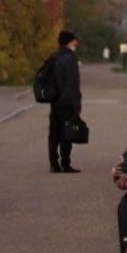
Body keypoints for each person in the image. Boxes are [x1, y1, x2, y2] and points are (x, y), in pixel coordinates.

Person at [49, 30, 83, 174]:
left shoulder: (54, 56)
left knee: (54, 133)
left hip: (54, 100)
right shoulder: (70, 58)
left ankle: (54, 163)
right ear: (69, 41)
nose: (76, 42)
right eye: (74, 40)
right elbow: (73, 83)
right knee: (67, 133)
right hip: (67, 101)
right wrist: (77, 104)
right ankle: (65, 163)